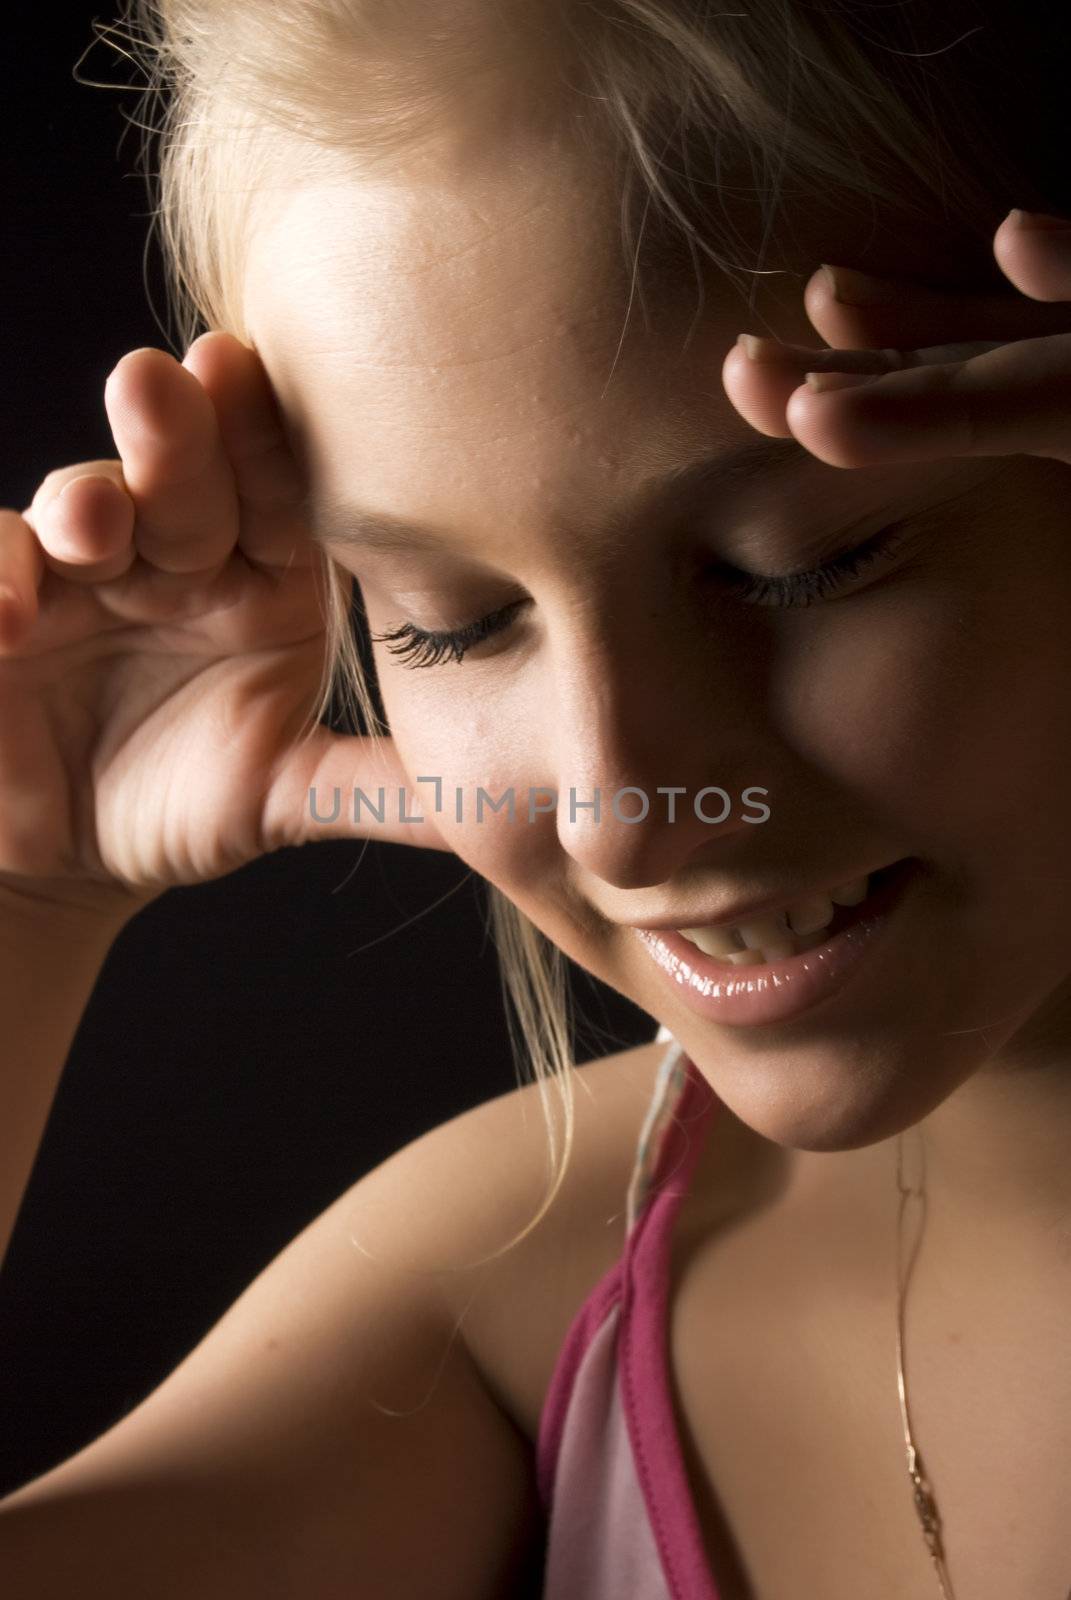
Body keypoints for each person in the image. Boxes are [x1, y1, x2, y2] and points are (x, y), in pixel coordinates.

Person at [1, 1, 1069, 1595]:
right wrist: (22, 898)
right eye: (447, 617)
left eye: (806, 564)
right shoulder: (508, 1302)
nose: (622, 814)